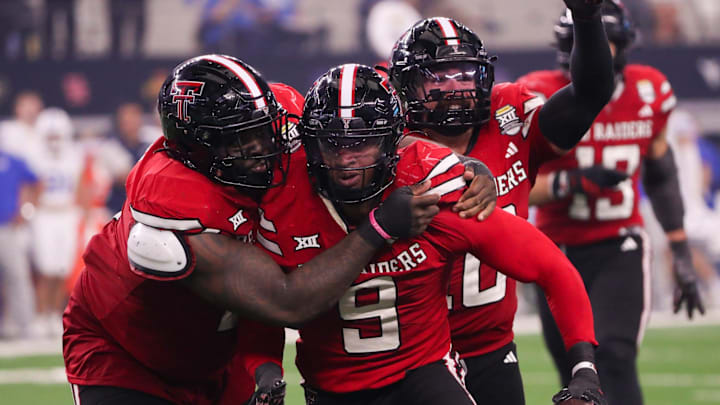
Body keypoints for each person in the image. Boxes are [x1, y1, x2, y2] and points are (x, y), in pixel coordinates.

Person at [62, 54, 442, 405]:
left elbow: (366, 135)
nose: (262, 147)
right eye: (239, 140)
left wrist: (455, 165)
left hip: (214, 352)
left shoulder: (284, 116)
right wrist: (378, 228)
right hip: (126, 351)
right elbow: (285, 302)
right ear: (197, 149)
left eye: (262, 129)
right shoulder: (175, 205)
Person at [247, 63, 604, 405]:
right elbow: (262, 306)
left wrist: (584, 366)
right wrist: (265, 370)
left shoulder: (431, 186)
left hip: (423, 374)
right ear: (309, 144)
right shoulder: (282, 198)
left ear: (392, 142)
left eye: (361, 143)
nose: (346, 159)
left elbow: (551, 267)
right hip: (333, 387)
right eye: (333, 143)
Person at [385, 0, 615, 403]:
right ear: (406, 89)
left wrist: (586, 18)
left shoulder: (510, 117)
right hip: (407, 350)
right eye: (439, 78)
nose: (456, 89)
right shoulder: (387, 142)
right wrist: (453, 164)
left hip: (490, 345)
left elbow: (590, 94)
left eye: (465, 75)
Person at [515, 2, 705, 405]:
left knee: (615, 357)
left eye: (601, 41)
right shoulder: (536, 93)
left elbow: (662, 172)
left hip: (619, 243)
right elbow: (512, 184)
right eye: (575, 42)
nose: (585, 51)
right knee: (578, 374)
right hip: (556, 252)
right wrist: (573, 181)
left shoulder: (648, 89)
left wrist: (680, 246)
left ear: (621, 44)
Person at [29, 108, 85, 337]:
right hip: (44, 215)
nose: (53, 140)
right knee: (46, 268)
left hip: (66, 214)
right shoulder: (34, 155)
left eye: (56, 135)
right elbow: (31, 188)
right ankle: (40, 316)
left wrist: (81, 210)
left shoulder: (75, 155)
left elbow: (81, 186)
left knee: (62, 268)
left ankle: (53, 314)